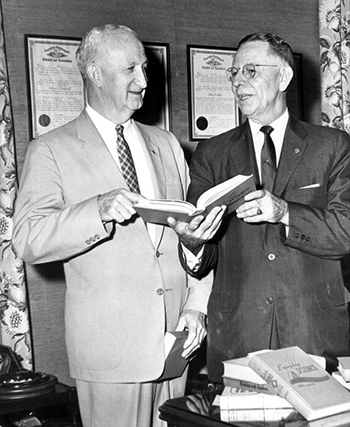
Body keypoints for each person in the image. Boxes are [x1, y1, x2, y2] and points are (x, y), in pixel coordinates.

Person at [12, 24, 211, 427]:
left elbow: (197, 231)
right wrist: (96, 210)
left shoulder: (167, 143)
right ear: (96, 75)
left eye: (144, 67)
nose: (143, 80)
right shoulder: (50, 149)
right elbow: (27, 239)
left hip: (177, 344)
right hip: (110, 354)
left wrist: (196, 305)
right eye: (130, 69)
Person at [169, 32, 350, 384]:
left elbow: (345, 232)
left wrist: (285, 212)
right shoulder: (212, 154)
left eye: (250, 71)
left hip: (315, 329)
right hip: (238, 331)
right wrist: (192, 242)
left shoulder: (333, 147)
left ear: (283, 77)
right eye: (233, 74)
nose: (239, 82)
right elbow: (203, 255)